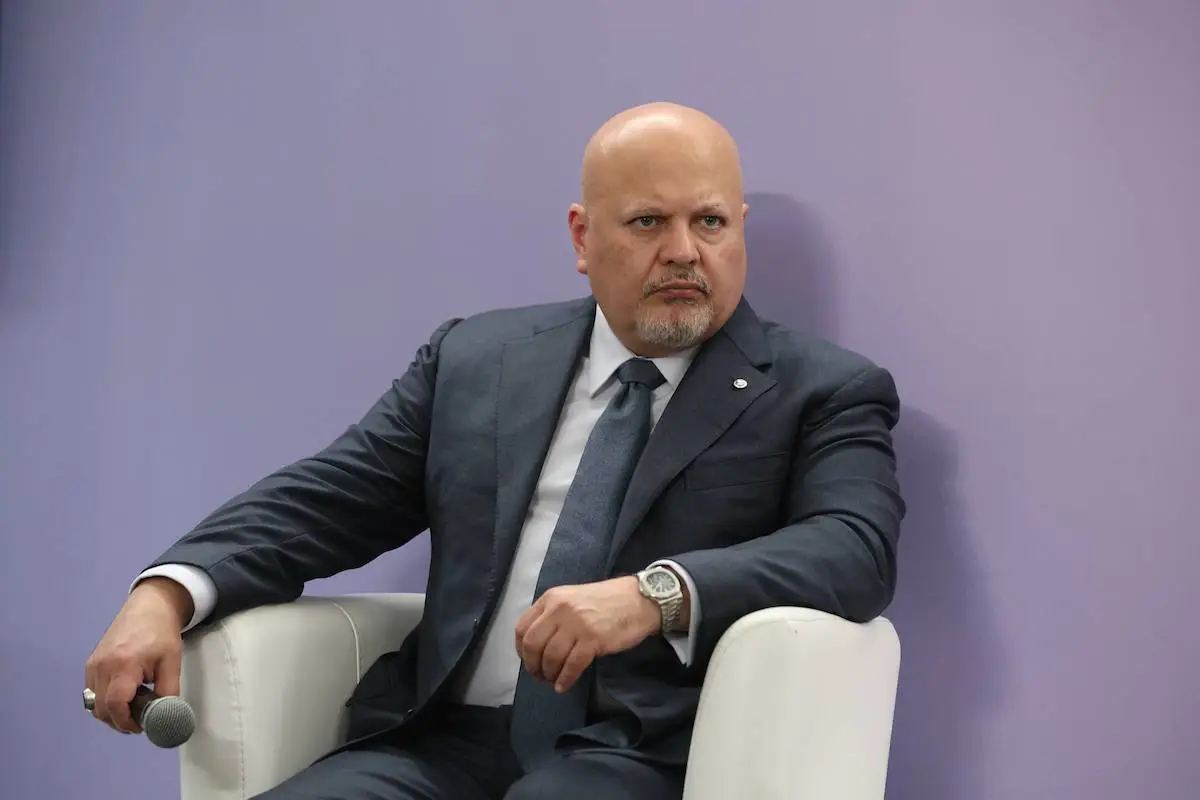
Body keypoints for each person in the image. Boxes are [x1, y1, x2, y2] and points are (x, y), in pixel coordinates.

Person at [83, 101, 905, 799]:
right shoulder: (478, 360)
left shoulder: (821, 389)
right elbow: (331, 499)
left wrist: (656, 594)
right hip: (438, 745)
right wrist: (165, 593)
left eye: (710, 221)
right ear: (583, 237)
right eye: (649, 222)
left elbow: (853, 546)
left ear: (739, 231)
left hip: (638, 755)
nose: (685, 250)